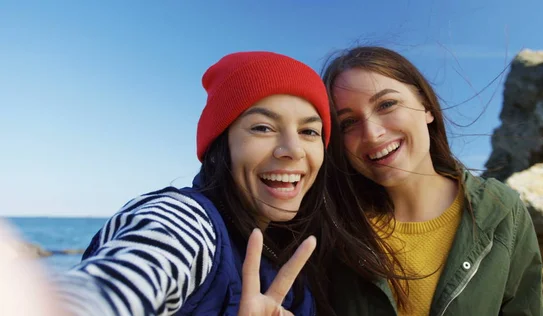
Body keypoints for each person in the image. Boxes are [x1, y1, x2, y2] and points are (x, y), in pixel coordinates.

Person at [54, 51, 337, 316]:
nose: (293, 149)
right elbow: (114, 287)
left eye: (309, 131)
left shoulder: (294, 250)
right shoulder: (185, 221)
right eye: (262, 127)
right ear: (219, 146)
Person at [321, 46, 543, 316]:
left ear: (426, 105)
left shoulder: (501, 210)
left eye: (386, 104)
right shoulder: (332, 229)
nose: (372, 133)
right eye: (348, 123)